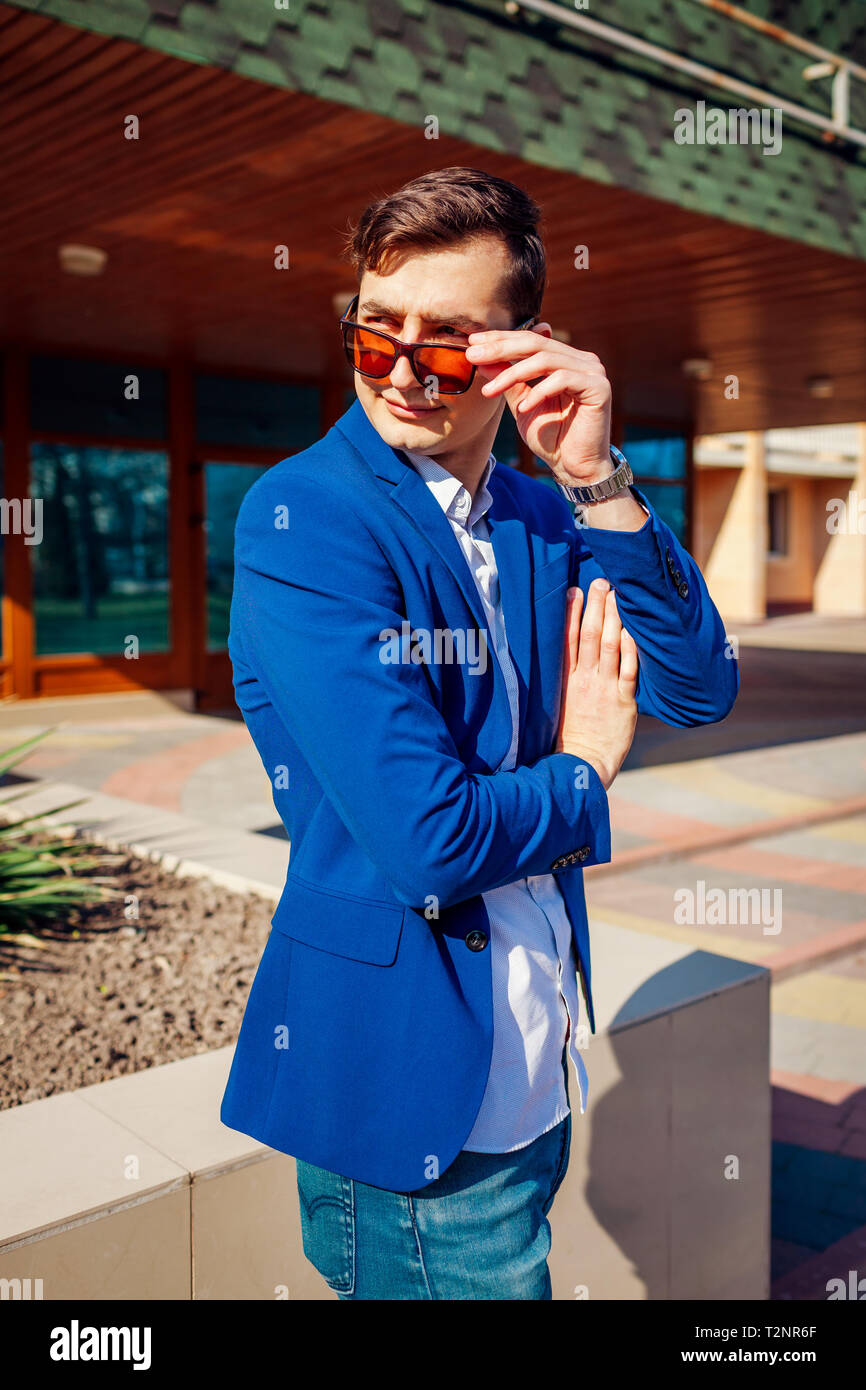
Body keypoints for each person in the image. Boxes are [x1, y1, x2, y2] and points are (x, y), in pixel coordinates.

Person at [220, 166, 738, 1300]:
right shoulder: (307, 519)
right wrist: (584, 766)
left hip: (534, 1063)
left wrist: (594, 473)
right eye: (374, 334)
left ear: (523, 347)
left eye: (448, 341)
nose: (403, 370)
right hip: (412, 1094)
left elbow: (698, 686)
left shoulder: (541, 510)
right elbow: (431, 839)